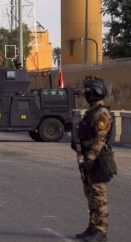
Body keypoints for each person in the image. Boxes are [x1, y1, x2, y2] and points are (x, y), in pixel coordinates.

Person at [72, 76, 116, 242]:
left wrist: (90, 158)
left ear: (96, 92)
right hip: (87, 159)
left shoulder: (101, 112)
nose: (86, 94)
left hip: (98, 160)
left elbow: (100, 138)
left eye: (88, 91)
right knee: (90, 195)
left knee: (99, 197)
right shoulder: (91, 112)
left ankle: (101, 230)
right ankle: (92, 227)